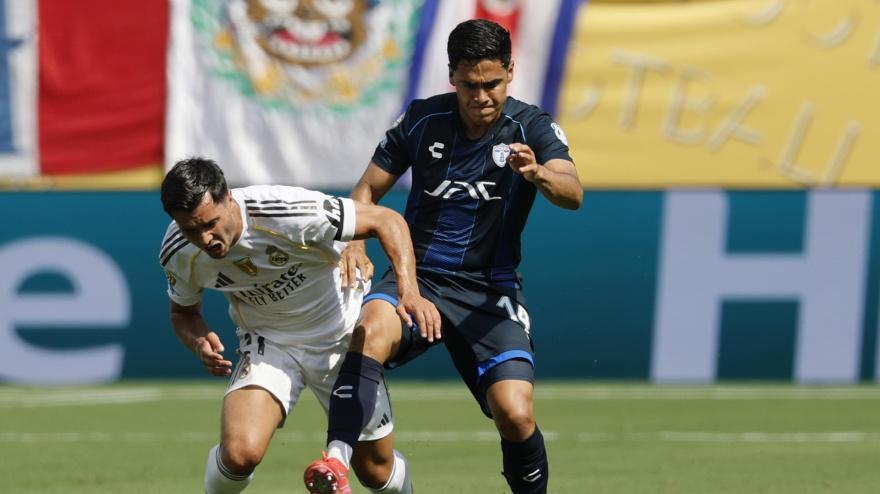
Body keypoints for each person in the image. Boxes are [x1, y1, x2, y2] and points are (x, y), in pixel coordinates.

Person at [305, 18, 583, 494]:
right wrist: (354, 239)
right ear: (451, 75)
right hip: (418, 279)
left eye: (492, 84)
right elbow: (367, 189)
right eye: (469, 85)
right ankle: (335, 462)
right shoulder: (422, 120)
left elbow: (572, 191)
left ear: (510, 72)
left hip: (488, 291)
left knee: (516, 414)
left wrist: (536, 173)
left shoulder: (531, 126)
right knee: (368, 331)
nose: (481, 97)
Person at [158, 157, 440, 494]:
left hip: (342, 334)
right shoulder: (178, 251)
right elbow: (184, 313)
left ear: (228, 198)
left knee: (375, 472)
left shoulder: (286, 211)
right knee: (239, 453)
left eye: (210, 223)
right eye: (190, 229)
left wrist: (408, 290)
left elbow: (387, 220)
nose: (205, 238)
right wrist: (198, 341)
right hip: (269, 343)